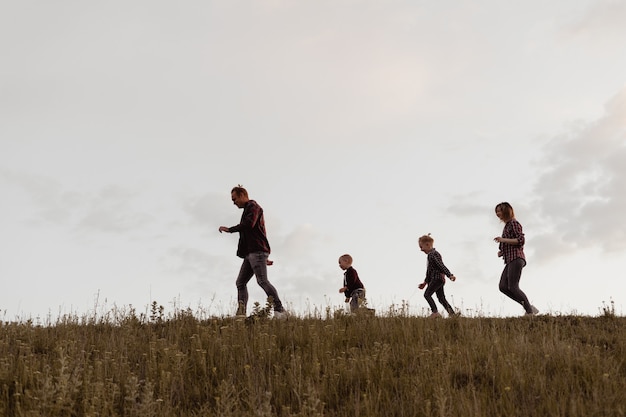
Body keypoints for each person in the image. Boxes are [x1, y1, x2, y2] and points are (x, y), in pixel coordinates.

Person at [218, 185, 288, 319]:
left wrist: (229, 229)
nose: (234, 203)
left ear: (243, 195)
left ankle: (280, 311)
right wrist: (263, 255)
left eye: (235, 199)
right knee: (240, 282)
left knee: (262, 281)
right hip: (252, 254)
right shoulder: (248, 209)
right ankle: (241, 314)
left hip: (256, 252)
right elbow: (256, 233)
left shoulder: (253, 207)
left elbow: (249, 225)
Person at [493, 202, 538, 316]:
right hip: (510, 259)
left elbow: (520, 240)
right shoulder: (507, 226)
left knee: (513, 286)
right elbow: (510, 243)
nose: (498, 213)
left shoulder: (513, 223)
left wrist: (502, 240)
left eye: (500, 210)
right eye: (497, 211)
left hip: (516, 258)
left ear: (507, 211)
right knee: (503, 286)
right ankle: (529, 307)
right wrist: (502, 252)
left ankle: (529, 312)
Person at [417, 234, 458, 318]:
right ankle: (453, 315)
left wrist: (449, 275)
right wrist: (425, 283)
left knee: (427, 295)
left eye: (421, 247)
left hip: (437, 279)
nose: (421, 249)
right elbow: (429, 272)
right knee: (441, 298)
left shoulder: (433, 254)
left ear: (427, 244)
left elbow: (440, 265)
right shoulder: (431, 255)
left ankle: (435, 312)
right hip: (439, 279)